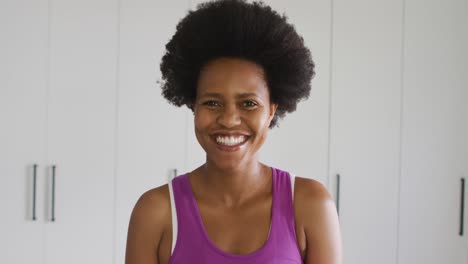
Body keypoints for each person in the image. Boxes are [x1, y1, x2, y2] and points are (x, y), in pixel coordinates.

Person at [125, 0, 342, 263]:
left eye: (248, 103)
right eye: (212, 102)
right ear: (193, 105)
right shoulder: (155, 212)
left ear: (272, 109)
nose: (228, 120)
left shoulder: (311, 206)